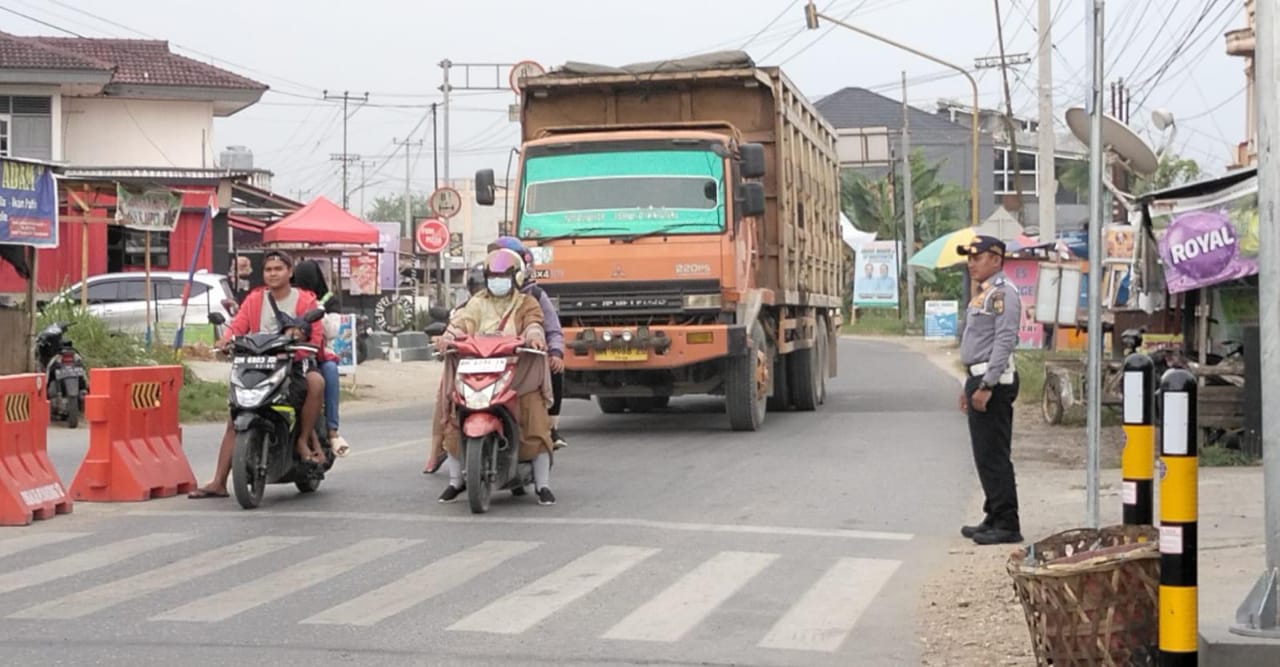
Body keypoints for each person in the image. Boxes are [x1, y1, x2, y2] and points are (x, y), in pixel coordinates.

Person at [188, 250, 327, 499]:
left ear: (290, 272)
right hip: (255, 365)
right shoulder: (255, 299)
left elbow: (315, 336)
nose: (273, 274)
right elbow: (237, 326)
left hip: (292, 364)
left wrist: (300, 342)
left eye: (278, 269)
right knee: (236, 415)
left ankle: (303, 440)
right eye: (268, 270)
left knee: (316, 382)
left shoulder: (305, 301)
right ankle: (219, 481)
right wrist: (225, 341)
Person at [430, 248, 558, 505]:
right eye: (492, 276)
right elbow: (461, 323)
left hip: (516, 369)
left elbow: (535, 323)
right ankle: (455, 480)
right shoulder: (477, 302)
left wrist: (534, 336)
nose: (497, 281)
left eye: (503, 276)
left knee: (532, 417)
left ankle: (542, 485)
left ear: (516, 278)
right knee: (453, 413)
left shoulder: (526, 303)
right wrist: (448, 337)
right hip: (476, 367)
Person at [956, 235, 1023, 545]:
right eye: (969, 257)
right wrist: (967, 384)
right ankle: (993, 514)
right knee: (984, 455)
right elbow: (974, 343)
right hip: (978, 378)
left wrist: (986, 385)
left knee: (995, 455)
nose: (971, 263)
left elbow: (1004, 341)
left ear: (996, 260)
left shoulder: (1003, 294)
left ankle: (1008, 523)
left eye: (977, 257)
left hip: (993, 382)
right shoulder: (982, 294)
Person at [488, 236, 568, 449]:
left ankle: (550, 427)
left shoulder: (533, 298)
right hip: (487, 357)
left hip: (524, 358)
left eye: (505, 265)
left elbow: (549, 329)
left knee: (554, 369)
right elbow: (464, 319)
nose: (499, 272)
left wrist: (555, 352)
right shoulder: (481, 296)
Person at [423, 262, 487, 475]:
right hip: (465, 369)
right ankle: (436, 451)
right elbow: (453, 329)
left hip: (499, 368)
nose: (480, 291)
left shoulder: (514, 305)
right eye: (475, 287)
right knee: (444, 396)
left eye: (483, 286)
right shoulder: (463, 311)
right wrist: (445, 340)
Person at [291, 259, 352, 458]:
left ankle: (332, 430)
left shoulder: (329, 300)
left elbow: (332, 330)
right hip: (289, 353)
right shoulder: (288, 296)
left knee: (330, 372)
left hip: (317, 353)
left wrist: (315, 309)